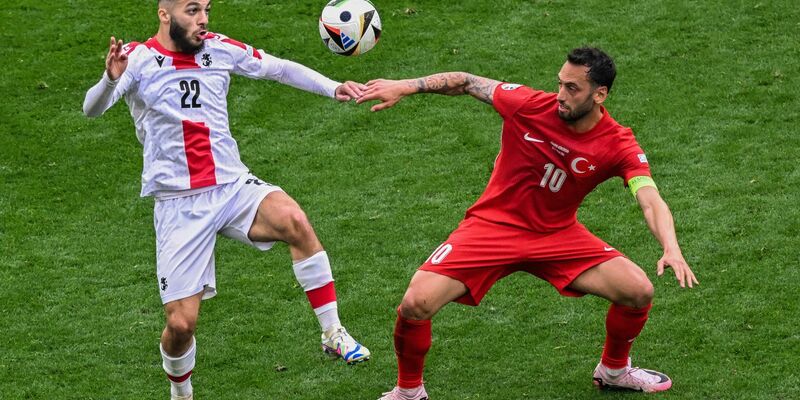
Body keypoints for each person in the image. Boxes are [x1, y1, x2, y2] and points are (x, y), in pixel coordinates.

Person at [358, 47, 698, 399]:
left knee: (638, 291)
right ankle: (408, 392)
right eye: (560, 84)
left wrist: (671, 247)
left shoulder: (618, 143)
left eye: (572, 88)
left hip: (557, 235)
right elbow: (466, 81)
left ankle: (614, 370)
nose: (560, 95)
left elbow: (650, 199)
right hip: (492, 228)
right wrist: (405, 86)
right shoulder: (529, 105)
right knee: (416, 302)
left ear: (600, 95)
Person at [83, 1, 370, 398]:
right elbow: (92, 109)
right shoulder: (138, 59)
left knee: (294, 221)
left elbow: (278, 68)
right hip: (179, 205)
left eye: (206, 9)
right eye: (192, 11)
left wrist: (332, 86)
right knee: (181, 326)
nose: (203, 19)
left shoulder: (218, 48)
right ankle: (181, 393)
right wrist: (110, 79)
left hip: (231, 186)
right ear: (165, 15)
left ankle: (332, 332)